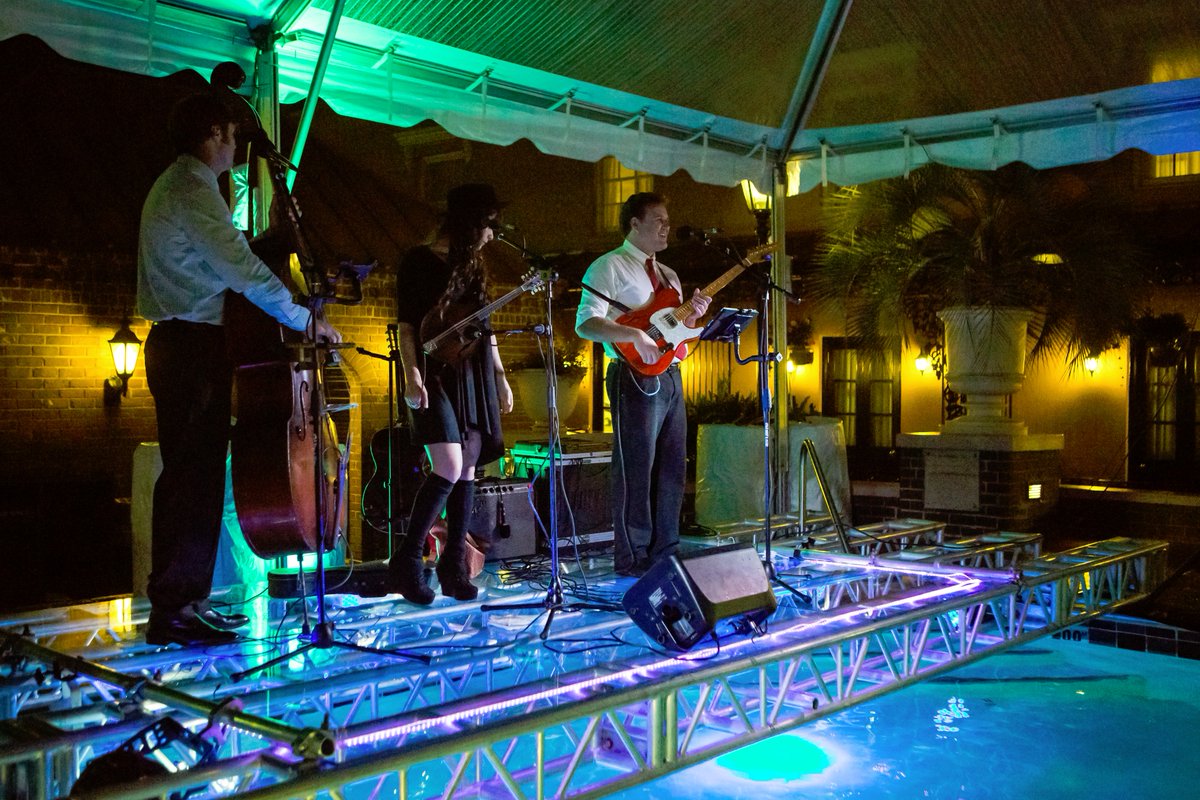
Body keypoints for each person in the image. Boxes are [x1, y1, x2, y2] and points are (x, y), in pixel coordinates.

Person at [137, 92, 340, 646]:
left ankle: (188, 603)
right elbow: (241, 269)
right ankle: (176, 609)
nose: (235, 144)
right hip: (189, 345)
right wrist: (303, 318)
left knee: (196, 476)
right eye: (230, 133)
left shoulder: (189, 188)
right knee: (191, 478)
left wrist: (275, 237)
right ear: (211, 134)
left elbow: (232, 257)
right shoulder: (190, 190)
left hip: (191, 344)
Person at [389, 183, 514, 604]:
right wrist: (411, 374)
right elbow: (406, 326)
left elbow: (484, 327)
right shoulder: (418, 261)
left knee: (467, 471)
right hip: (433, 372)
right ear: (470, 224)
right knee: (448, 464)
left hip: (472, 372)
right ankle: (406, 562)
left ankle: (453, 566)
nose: (492, 235)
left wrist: (499, 376)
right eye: (488, 225)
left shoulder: (473, 267)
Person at [575, 192, 711, 577]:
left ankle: (665, 548)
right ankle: (632, 554)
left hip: (670, 375)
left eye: (669, 221)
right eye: (659, 220)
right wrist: (633, 336)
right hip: (632, 375)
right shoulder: (609, 267)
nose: (667, 227)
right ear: (634, 224)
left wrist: (695, 316)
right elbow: (585, 322)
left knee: (671, 465)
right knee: (636, 467)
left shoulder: (669, 275)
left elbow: (677, 331)